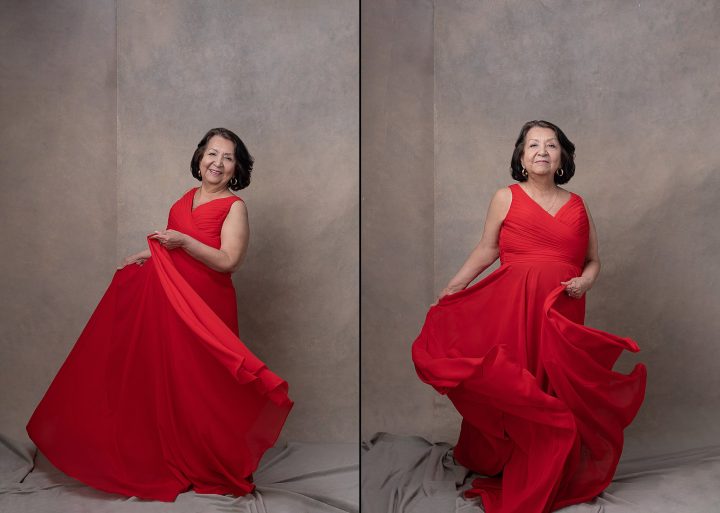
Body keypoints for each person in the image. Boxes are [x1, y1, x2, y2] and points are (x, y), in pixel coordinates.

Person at [27, 128, 293, 501]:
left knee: (207, 384)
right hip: (172, 306)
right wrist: (148, 255)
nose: (217, 162)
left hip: (206, 307)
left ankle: (213, 460)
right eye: (212, 154)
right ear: (200, 158)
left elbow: (229, 261)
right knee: (171, 381)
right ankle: (169, 451)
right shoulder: (182, 201)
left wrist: (183, 241)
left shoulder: (234, 207)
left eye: (227, 157)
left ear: (236, 169)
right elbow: (174, 254)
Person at [412, 120, 646, 513]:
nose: (542, 151)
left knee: (556, 385)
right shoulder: (505, 197)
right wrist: (454, 286)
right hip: (514, 306)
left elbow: (593, 261)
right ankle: (511, 459)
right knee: (520, 380)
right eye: (533, 145)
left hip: (563, 310)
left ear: (562, 156)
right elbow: (487, 250)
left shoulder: (579, 205)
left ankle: (552, 466)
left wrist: (585, 283)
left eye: (551, 145)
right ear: (521, 157)